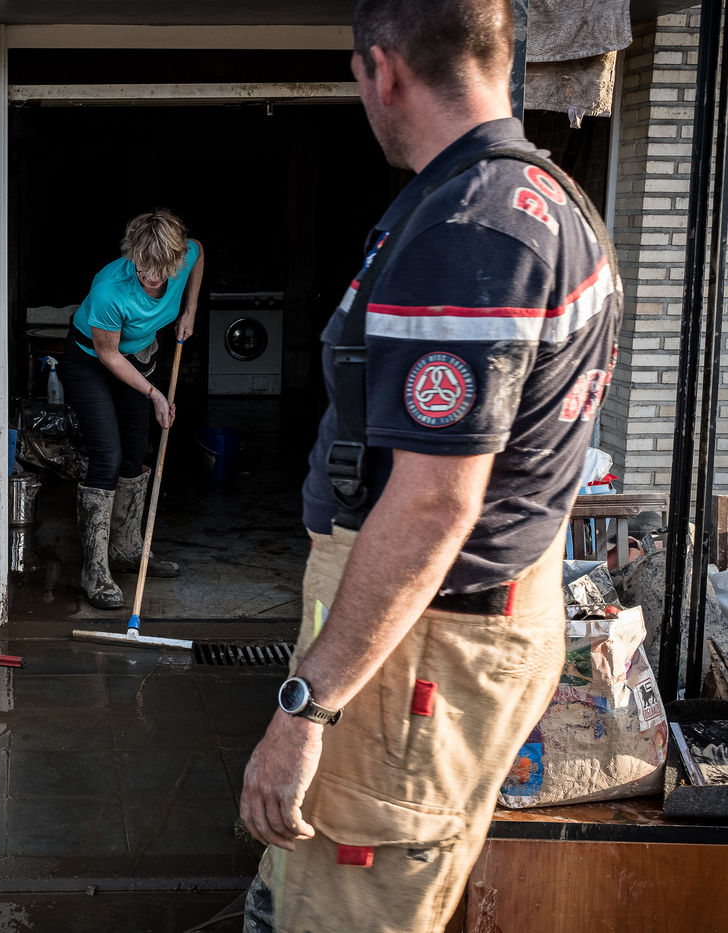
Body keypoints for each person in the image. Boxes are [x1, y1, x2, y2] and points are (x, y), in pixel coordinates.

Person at [237, 1, 622, 931]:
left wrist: (305, 708)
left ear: (384, 70)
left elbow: (433, 506)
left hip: (420, 644)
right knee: (321, 889)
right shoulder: (548, 200)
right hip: (451, 627)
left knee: (346, 904)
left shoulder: (469, 234)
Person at [58, 209, 204, 609]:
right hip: (92, 361)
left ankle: (126, 550)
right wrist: (155, 394)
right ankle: (95, 570)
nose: (151, 276)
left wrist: (190, 309)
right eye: (143, 265)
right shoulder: (110, 287)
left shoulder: (183, 257)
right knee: (107, 455)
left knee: (137, 450)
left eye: (160, 268)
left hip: (138, 356)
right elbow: (109, 355)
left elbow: (198, 250)